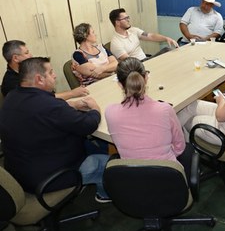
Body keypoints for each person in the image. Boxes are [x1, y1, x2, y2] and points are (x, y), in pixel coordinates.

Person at [0, 57, 110, 203]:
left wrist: (72, 105)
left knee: (91, 145)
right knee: (110, 164)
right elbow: (88, 125)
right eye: (51, 72)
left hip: (19, 172)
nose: (55, 75)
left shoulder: (11, 96)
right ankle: (104, 194)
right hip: (49, 178)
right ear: (39, 79)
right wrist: (95, 108)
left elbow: (43, 109)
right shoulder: (50, 107)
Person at [105, 57, 186, 162]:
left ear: (120, 84)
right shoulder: (165, 109)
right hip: (167, 174)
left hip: (131, 175)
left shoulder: (110, 113)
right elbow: (180, 147)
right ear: (146, 78)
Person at [1, 40, 88, 100]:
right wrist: (72, 93)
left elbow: (49, 93)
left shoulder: (29, 69)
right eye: (26, 53)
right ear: (15, 58)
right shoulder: (10, 83)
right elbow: (40, 100)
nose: (31, 55)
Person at [109, 8, 178, 61]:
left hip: (145, 59)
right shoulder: (115, 42)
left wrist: (166, 38)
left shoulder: (133, 30)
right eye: (125, 18)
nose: (128, 20)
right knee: (166, 51)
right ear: (117, 22)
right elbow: (129, 61)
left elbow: (150, 36)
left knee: (167, 50)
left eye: (128, 17)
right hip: (137, 66)